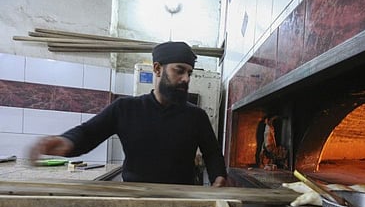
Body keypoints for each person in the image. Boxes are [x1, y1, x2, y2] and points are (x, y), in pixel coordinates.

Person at [29, 41, 227, 187]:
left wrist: (219, 177)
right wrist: (66, 142)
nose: (186, 79)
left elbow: (212, 153)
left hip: (184, 200)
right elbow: (89, 133)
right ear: (157, 69)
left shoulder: (196, 116)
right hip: (135, 197)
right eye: (179, 71)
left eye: (189, 73)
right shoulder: (126, 108)